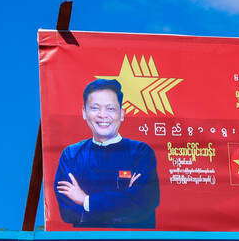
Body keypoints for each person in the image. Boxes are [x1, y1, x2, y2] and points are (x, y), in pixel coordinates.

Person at [54, 78, 160, 228]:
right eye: (95, 108)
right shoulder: (71, 155)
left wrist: (85, 200)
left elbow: (144, 203)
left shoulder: (141, 153)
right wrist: (124, 201)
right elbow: (69, 213)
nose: (102, 115)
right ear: (84, 112)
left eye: (110, 109)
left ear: (122, 113)